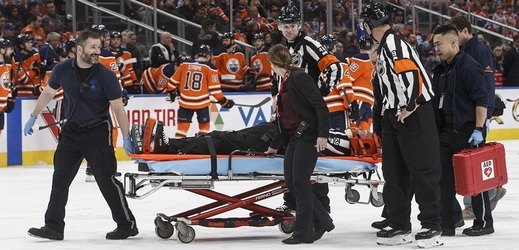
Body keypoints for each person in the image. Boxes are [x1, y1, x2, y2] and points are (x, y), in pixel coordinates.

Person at [23, 30, 138, 241]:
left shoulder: (106, 75)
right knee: (60, 179)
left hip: (97, 133)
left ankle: (126, 224)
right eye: (93, 47)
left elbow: (118, 109)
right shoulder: (62, 69)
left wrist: (127, 136)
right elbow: (48, 92)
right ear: (79, 49)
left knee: (106, 180)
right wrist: (33, 116)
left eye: (99, 47)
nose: (97, 51)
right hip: (70, 133)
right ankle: (53, 227)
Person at [360, 2, 442, 247]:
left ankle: (431, 226)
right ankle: (398, 224)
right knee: (394, 173)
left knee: (422, 171)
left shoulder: (394, 44)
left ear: (368, 25)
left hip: (413, 114)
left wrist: (410, 105)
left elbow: (412, 76)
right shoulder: (385, 45)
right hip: (395, 116)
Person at [275, 4, 343, 214]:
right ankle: (292, 201)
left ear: (299, 25)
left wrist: (319, 93)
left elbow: (334, 66)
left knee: (311, 162)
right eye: (286, 26)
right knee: (290, 159)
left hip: (306, 116)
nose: (289, 30)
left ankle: (321, 206)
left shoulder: (309, 44)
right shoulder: (282, 47)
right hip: (289, 114)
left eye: (293, 25)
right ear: (279, 27)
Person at [266, 44, 333, 244]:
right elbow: (284, 116)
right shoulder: (283, 82)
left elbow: (320, 105)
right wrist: (274, 145)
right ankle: (323, 220)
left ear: (273, 62)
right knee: (292, 183)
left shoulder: (299, 78)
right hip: (295, 137)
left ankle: (303, 232)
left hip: (309, 136)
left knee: (300, 183)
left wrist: (323, 134)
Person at [431, 24, 493, 237]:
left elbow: (481, 100)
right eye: (434, 45)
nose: (436, 49)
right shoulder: (440, 70)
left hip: (468, 131)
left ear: (453, 42)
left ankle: (483, 221)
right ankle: (448, 222)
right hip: (445, 131)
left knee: (475, 181)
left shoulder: (469, 66)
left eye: (438, 44)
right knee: (443, 179)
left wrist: (478, 128)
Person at [445, 15, 505, 224]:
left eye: (453, 33)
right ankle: (488, 195)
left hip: (475, 119)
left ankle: (478, 203)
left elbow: (486, 87)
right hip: (466, 118)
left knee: (475, 162)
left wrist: (485, 117)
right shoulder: (462, 52)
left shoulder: (480, 52)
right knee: (469, 162)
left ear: (464, 31)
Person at [168, 44, 234, 138]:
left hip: (185, 102)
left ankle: (178, 148)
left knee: (182, 129)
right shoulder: (210, 67)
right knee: (204, 128)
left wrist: (171, 92)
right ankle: (202, 147)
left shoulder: (185, 64)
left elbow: (172, 82)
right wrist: (224, 101)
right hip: (201, 103)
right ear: (209, 56)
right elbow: (215, 90)